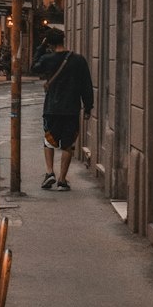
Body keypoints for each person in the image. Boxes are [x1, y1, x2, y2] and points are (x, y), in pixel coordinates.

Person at [32, 27, 94, 191]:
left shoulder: (47, 59)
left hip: (51, 108)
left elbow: (33, 66)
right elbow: (86, 85)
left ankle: (49, 172)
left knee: (49, 141)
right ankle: (62, 180)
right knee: (67, 145)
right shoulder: (79, 60)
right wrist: (88, 107)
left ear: (49, 43)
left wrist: (41, 47)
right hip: (71, 109)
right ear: (62, 40)